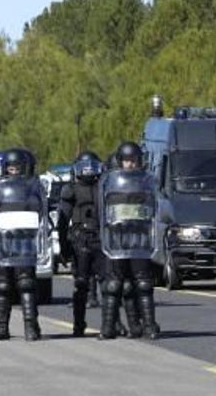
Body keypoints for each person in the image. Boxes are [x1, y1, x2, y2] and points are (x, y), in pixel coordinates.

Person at [98, 141, 160, 340]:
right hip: (116, 240)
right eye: (126, 160)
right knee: (113, 285)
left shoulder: (147, 181)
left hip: (139, 238)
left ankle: (149, 326)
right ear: (120, 161)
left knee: (143, 284)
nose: (130, 164)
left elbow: (155, 208)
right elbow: (103, 212)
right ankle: (108, 328)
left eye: (133, 160)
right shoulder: (110, 181)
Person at [0, 148, 45, 342]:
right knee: (2, 286)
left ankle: (31, 326)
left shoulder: (34, 188)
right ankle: (1, 327)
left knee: (26, 284)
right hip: (4, 243)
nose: (14, 171)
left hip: (25, 242)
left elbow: (41, 211)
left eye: (17, 167)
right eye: (10, 167)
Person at [57, 151, 104, 336]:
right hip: (80, 238)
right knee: (81, 283)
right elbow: (63, 221)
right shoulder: (71, 190)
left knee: (110, 284)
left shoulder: (104, 188)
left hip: (102, 237)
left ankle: (111, 323)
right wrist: (64, 248)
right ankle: (78, 324)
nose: (88, 170)